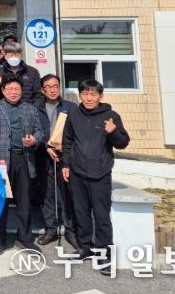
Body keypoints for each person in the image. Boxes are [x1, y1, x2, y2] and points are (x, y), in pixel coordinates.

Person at [62, 79, 130, 276]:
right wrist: (66, 165)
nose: (89, 98)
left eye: (93, 94)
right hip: (77, 173)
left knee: (101, 216)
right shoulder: (74, 114)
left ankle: (104, 253)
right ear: (80, 95)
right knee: (81, 212)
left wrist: (113, 132)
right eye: (85, 94)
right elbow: (67, 141)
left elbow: (123, 143)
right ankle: (85, 247)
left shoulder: (111, 116)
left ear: (101, 96)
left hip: (100, 173)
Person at [0, 75, 45, 255]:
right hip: (0, 160)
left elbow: (40, 131)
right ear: (3, 91)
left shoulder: (30, 109)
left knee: (24, 201)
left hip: (23, 159)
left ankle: (24, 238)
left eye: (16, 89)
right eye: (9, 89)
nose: (13, 92)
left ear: (21, 91)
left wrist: (34, 140)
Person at [34, 74, 78, 249]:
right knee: (47, 195)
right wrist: (47, 147)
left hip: (65, 157)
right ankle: (50, 229)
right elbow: (34, 130)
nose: (53, 90)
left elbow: (76, 133)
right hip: (43, 156)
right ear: (42, 90)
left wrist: (64, 146)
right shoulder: (36, 108)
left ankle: (70, 230)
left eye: (56, 86)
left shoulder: (70, 107)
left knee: (67, 194)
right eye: (48, 87)